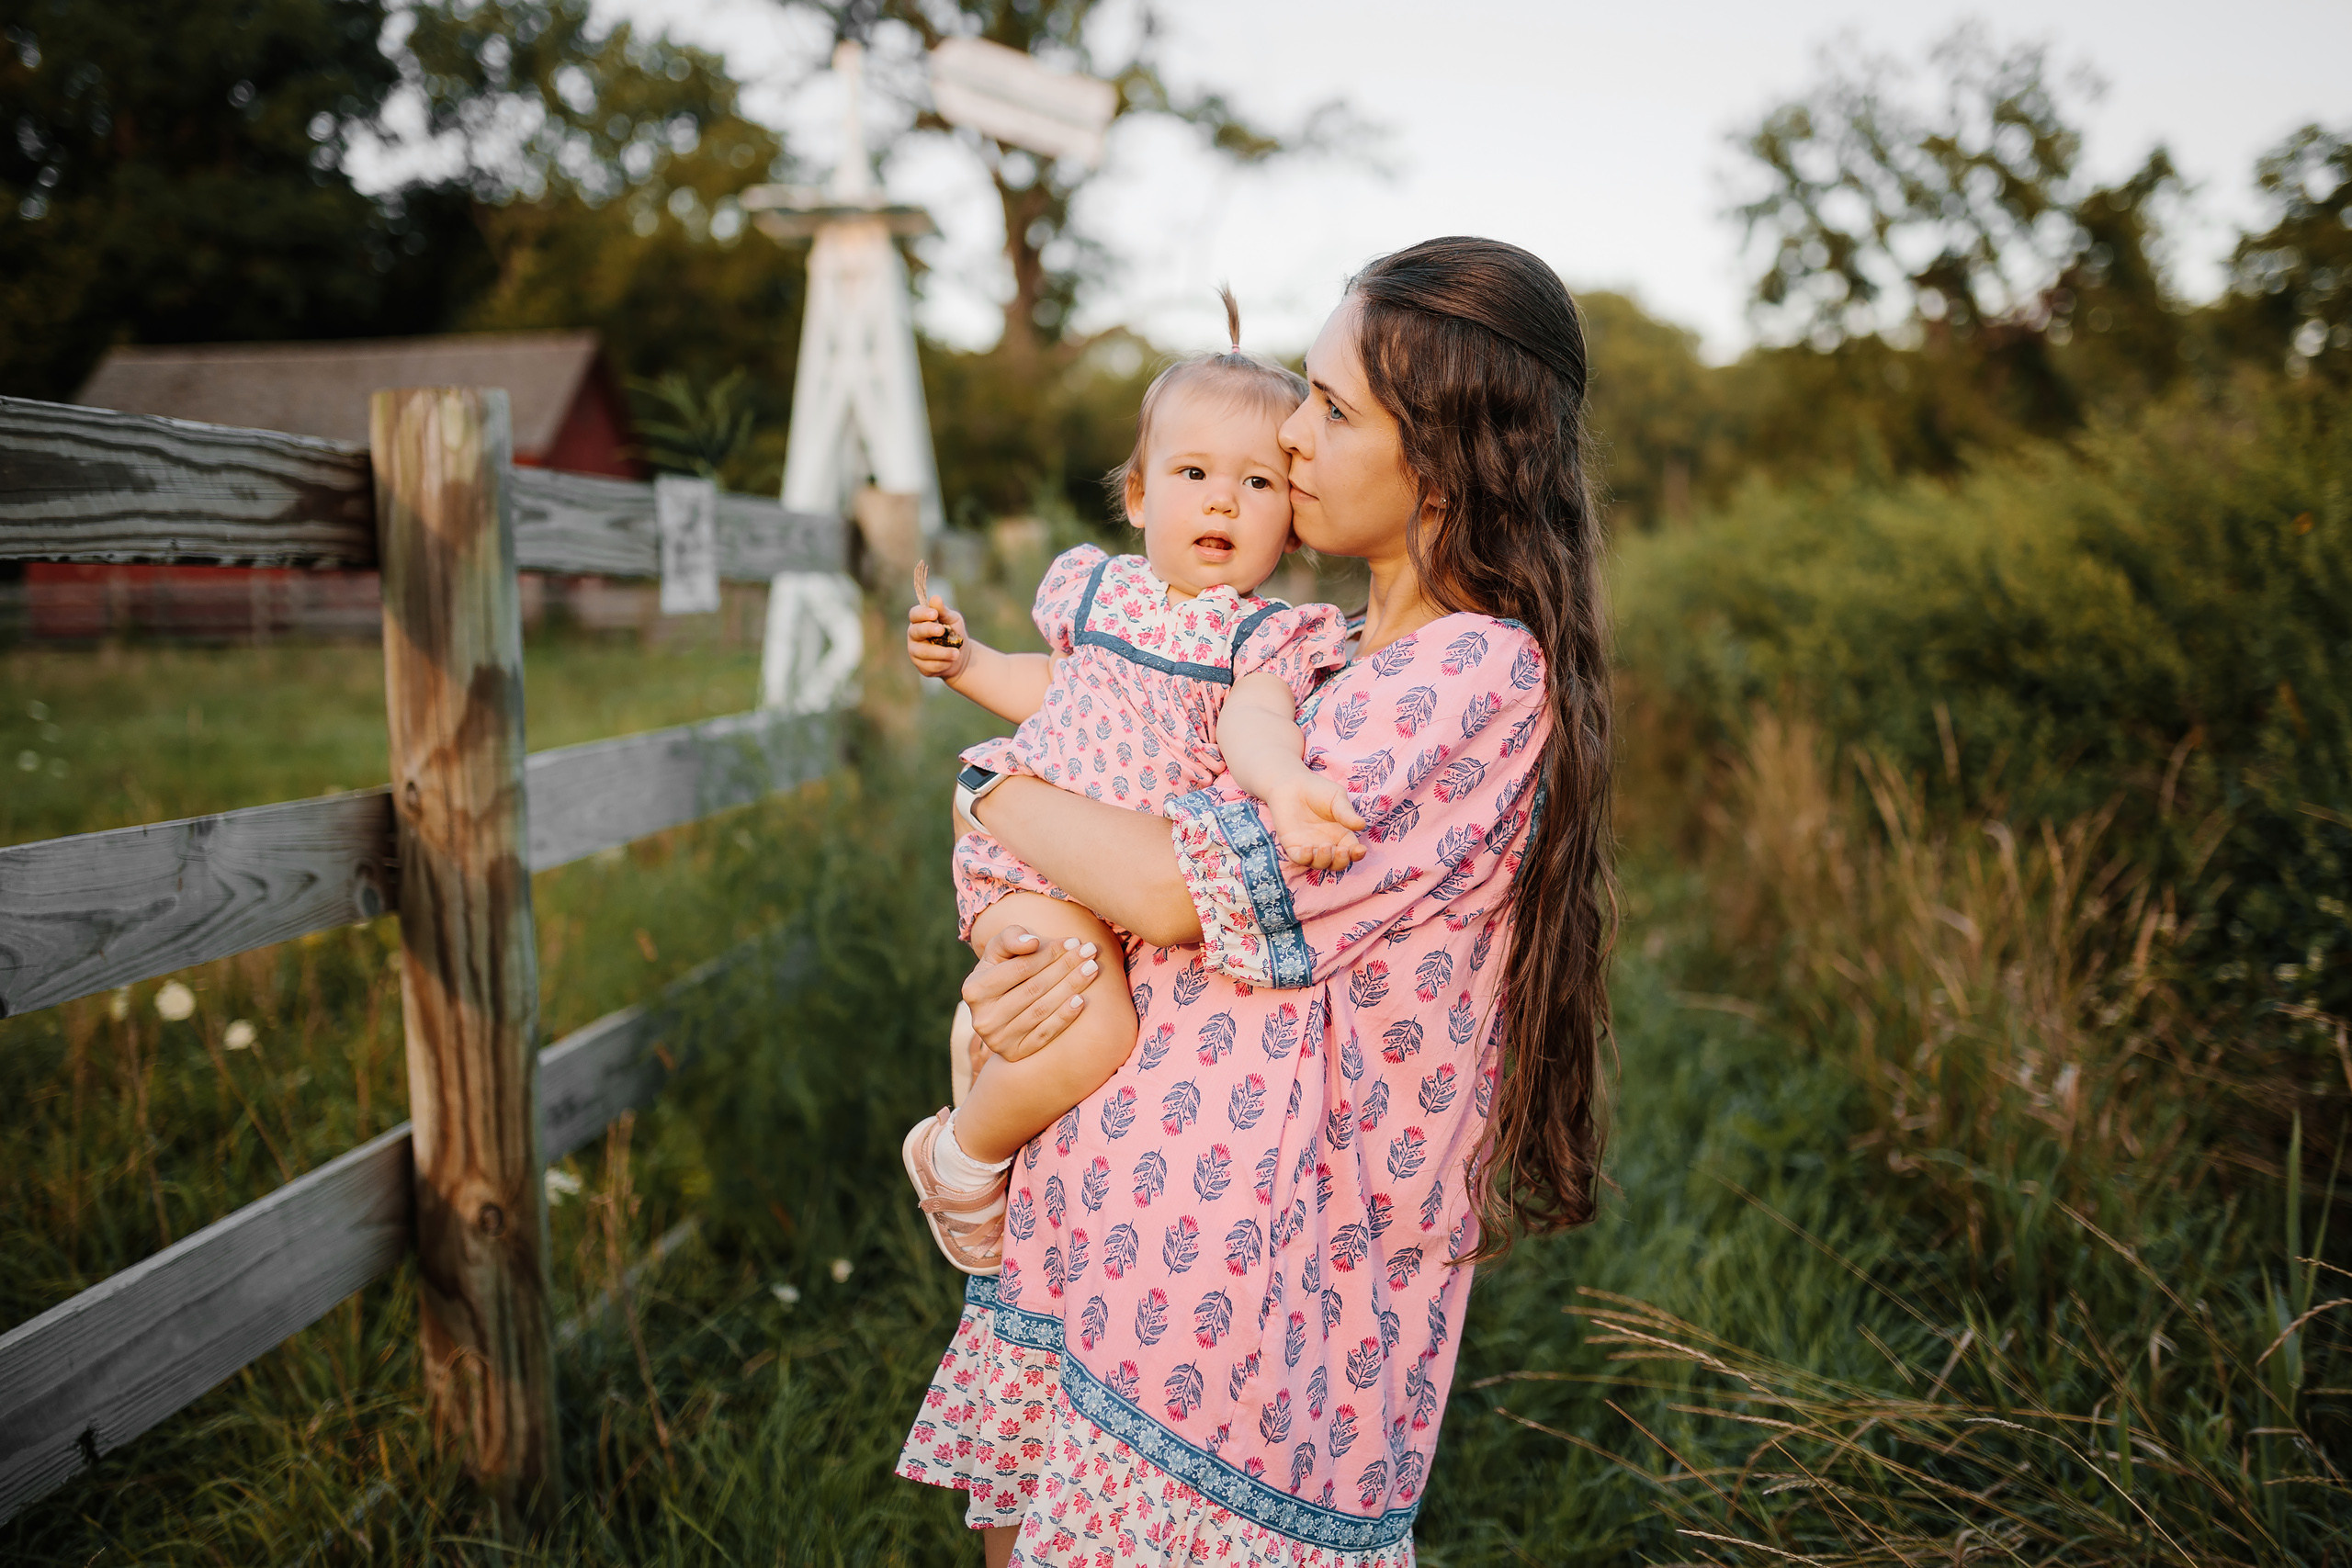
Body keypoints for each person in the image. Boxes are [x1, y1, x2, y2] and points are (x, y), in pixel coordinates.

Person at [898, 237, 1615, 1568]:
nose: (1290, 430)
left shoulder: (1470, 677)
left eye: (1333, 409)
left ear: (1446, 458)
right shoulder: (1335, 650)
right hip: (1127, 1210)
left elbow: (1179, 885)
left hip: (1254, 1288)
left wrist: (986, 790)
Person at [900, 289, 1367, 1274]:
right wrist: (966, 660)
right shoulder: (1100, 591)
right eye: (1193, 473)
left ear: (1292, 517)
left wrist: (1284, 788)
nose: (1220, 501)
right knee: (1095, 1028)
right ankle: (958, 1157)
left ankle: (986, 1082)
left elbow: (1256, 722)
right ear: (1142, 498)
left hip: (1116, 877)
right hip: (1032, 855)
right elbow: (1053, 693)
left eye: (1255, 483)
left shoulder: (1265, 638)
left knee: (1074, 1018)